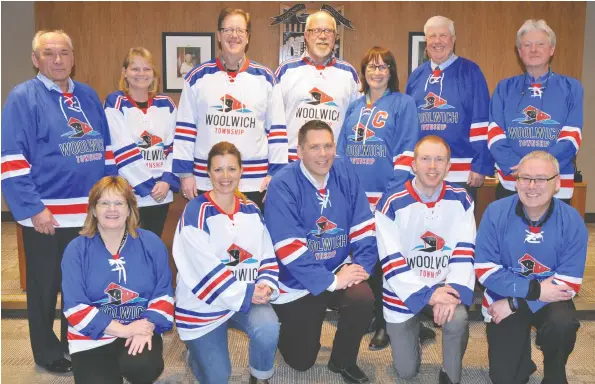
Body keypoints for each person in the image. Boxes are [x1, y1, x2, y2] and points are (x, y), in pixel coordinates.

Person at [0, 30, 116, 373]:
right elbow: (11, 159)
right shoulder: (23, 98)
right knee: (44, 286)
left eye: (64, 52)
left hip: (88, 214)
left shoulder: (89, 95)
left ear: (73, 57)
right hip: (46, 215)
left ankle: (74, 342)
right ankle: (46, 352)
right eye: (49, 53)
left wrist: (109, 199)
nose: (58, 60)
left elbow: (105, 149)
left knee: (79, 284)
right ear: (36, 59)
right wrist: (34, 208)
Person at [265, 120, 377, 384]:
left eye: (328, 146)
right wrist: (332, 282)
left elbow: (363, 225)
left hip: (338, 269)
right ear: (300, 150)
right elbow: (288, 248)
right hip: (298, 281)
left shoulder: (345, 172)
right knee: (301, 361)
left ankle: (343, 360)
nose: (323, 154)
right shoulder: (283, 184)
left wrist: (360, 268)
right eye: (314, 147)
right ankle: (284, 322)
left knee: (362, 297)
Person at [475, 150, 587, 384]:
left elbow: (569, 284)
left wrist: (517, 303)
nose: (532, 186)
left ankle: (554, 373)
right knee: (504, 379)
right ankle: (522, 360)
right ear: (516, 182)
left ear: (557, 183)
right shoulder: (495, 212)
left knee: (562, 324)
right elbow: (485, 270)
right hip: (504, 297)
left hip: (546, 299)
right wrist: (533, 291)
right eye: (525, 178)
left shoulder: (572, 220)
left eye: (541, 179)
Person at [173, 142, 280, 384]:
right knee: (219, 378)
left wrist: (265, 285)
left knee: (268, 327)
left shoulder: (252, 210)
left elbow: (267, 256)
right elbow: (203, 269)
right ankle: (196, 354)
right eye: (218, 170)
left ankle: (259, 376)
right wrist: (249, 292)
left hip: (246, 297)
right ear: (208, 173)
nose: (225, 176)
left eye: (231, 169)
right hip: (205, 306)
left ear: (241, 172)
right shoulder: (195, 212)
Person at [337, 46, 420, 350]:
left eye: (383, 66)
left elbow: (407, 151)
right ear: (363, 72)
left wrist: (392, 195)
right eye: (371, 66)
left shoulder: (403, 104)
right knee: (365, 259)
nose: (377, 71)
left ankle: (387, 323)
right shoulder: (354, 105)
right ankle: (372, 314)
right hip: (356, 200)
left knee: (388, 261)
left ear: (392, 72)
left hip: (387, 197)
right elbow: (343, 151)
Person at [376, 135, 475, 384]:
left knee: (459, 317)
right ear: (414, 165)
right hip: (403, 291)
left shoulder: (462, 199)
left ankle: (450, 372)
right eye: (426, 159)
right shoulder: (390, 203)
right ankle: (413, 334)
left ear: (449, 166)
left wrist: (449, 293)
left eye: (439, 159)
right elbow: (391, 261)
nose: (432, 166)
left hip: (443, 287)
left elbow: (464, 253)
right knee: (406, 372)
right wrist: (427, 295)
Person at [61, 176, 174, 383]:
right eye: (104, 203)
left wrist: (146, 325)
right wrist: (123, 330)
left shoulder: (151, 243)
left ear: (130, 209)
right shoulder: (76, 249)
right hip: (92, 338)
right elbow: (74, 306)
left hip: (139, 328)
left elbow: (164, 294)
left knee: (143, 366)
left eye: (119, 203)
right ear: (94, 210)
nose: (111, 209)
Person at [174, 7, 287, 210]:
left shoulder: (266, 79)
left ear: (248, 37)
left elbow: (277, 133)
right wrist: (185, 174)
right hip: (206, 180)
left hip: (255, 183)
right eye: (228, 30)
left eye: (240, 30)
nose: (234, 35)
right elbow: (185, 130)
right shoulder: (197, 77)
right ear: (218, 35)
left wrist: (275, 175)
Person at [488, 19, 582, 202]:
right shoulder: (504, 88)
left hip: (555, 186)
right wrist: (520, 168)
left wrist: (537, 170)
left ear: (551, 50)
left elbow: (572, 136)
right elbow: (495, 134)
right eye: (527, 45)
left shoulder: (572, 87)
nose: (534, 50)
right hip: (512, 183)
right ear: (520, 51)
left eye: (540, 44)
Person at [406, 15, 493, 201]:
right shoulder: (416, 77)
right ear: (426, 41)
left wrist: (480, 164)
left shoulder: (471, 72)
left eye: (443, 35)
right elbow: (408, 126)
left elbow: (482, 120)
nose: (437, 41)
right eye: (432, 36)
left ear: (453, 39)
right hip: (422, 173)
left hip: (461, 173)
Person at [104, 47, 179, 238]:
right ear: (124, 73)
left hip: (161, 194)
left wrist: (166, 181)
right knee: (127, 249)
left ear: (154, 74)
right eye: (135, 69)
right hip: (131, 194)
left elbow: (176, 146)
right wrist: (147, 185)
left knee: (152, 247)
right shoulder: (115, 102)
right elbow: (122, 149)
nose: (141, 74)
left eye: (146, 69)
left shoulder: (166, 104)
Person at [275, 10, 360, 162]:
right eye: (317, 30)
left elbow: (357, 122)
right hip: (293, 164)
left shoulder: (349, 74)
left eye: (328, 31)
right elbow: (273, 121)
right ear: (306, 36)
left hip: (334, 164)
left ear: (335, 37)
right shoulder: (286, 71)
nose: (323, 36)